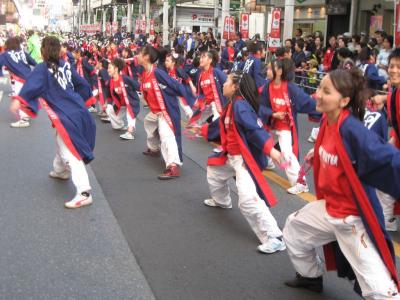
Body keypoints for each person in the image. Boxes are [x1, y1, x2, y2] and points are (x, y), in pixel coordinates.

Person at [284, 68, 400, 299]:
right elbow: (334, 151)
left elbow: (389, 160)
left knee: (381, 292)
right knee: (293, 230)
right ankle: (310, 277)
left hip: (351, 219)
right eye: (319, 88)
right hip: (328, 208)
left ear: (344, 100)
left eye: (326, 91)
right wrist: (316, 154)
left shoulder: (354, 130)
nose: (317, 94)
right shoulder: (329, 119)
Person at [200, 72, 286, 254]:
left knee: (247, 200)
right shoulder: (233, 104)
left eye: (227, 81)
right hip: (231, 156)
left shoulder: (240, 106)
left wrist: (271, 149)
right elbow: (219, 126)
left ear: (235, 87)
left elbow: (254, 130)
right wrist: (203, 129)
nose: (223, 84)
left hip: (243, 159)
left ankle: (275, 237)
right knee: (214, 172)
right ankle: (222, 201)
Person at [10, 36, 96, 209]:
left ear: (43, 51)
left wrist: (18, 100)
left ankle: (84, 192)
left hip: (67, 115)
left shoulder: (42, 69)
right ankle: (60, 170)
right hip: (78, 110)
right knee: (61, 141)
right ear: (59, 51)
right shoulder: (66, 65)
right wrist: (81, 100)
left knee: (70, 152)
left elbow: (31, 86)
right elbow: (83, 85)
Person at [259, 58, 320, 194]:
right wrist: (273, 114)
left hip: (285, 127)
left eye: (270, 68)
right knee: (262, 142)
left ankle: (301, 182)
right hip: (272, 124)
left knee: (287, 153)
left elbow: (307, 103)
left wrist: (322, 108)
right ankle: (266, 162)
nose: (267, 71)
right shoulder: (266, 87)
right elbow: (261, 106)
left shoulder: (290, 88)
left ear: (279, 71)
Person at [138, 45, 195, 179]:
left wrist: (186, 98)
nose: (138, 56)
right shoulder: (145, 74)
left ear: (146, 57)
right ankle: (154, 149)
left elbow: (176, 86)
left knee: (166, 136)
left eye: (140, 53)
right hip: (156, 111)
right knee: (148, 122)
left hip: (166, 110)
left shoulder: (157, 73)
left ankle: (173, 166)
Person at [0, 37, 37, 128]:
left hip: (19, 79)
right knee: (26, 97)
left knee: (19, 98)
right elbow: (34, 62)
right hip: (30, 77)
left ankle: (24, 119)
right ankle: (27, 115)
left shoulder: (5, 55)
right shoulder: (23, 53)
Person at [104, 58, 140, 141]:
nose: (108, 70)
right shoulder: (110, 81)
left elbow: (138, 86)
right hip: (121, 104)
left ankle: (130, 132)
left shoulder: (126, 79)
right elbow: (109, 95)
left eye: (109, 68)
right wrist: (107, 103)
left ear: (116, 69)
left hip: (131, 102)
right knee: (109, 109)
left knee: (129, 113)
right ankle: (119, 126)